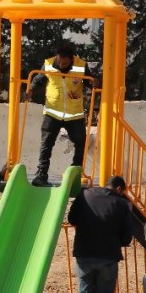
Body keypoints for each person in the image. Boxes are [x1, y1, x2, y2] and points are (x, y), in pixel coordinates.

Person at [68, 175, 139, 293]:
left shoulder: (84, 195)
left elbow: (72, 218)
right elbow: (126, 238)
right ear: (120, 189)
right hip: (108, 258)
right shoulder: (122, 204)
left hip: (84, 255)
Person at [29, 43, 89, 186]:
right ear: (57, 58)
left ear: (72, 60)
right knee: (46, 143)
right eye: (60, 62)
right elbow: (39, 79)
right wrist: (31, 90)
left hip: (74, 114)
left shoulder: (81, 65)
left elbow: (90, 81)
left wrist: (96, 84)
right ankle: (41, 175)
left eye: (66, 63)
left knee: (80, 142)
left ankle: (76, 172)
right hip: (52, 112)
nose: (62, 65)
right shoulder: (49, 64)